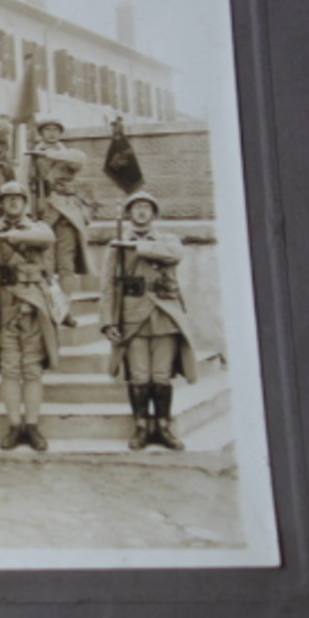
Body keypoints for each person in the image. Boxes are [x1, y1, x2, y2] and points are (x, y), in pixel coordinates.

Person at [99, 190, 199, 450]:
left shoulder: (166, 240)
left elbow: (175, 254)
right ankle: (142, 426)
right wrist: (108, 321)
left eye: (146, 207)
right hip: (133, 317)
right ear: (129, 213)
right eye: (136, 207)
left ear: (154, 214)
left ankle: (163, 426)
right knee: (140, 375)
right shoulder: (116, 245)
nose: (141, 212)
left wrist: (137, 246)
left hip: (164, 315)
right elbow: (108, 285)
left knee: (162, 376)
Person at [0, 182, 61, 451]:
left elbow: (47, 239)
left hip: (35, 307)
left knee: (32, 369)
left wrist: (13, 238)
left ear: (25, 202)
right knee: (10, 369)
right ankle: (15, 426)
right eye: (7, 199)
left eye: (18, 198)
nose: (13, 203)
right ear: (0, 204)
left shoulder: (38, 229)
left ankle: (33, 426)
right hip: (5, 307)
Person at [27, 116, 92, 283]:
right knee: (45, 259)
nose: (51, 134)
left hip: (66, 211)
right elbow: (27, 181)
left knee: (66, 260)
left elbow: (79, 160)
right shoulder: (33, 155)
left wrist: (50, 154)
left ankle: (67, 305)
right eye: (47, 130)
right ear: (41, 133)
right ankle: (50, 303)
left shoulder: (69, 154)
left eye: (55, 130)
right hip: (44, 209)